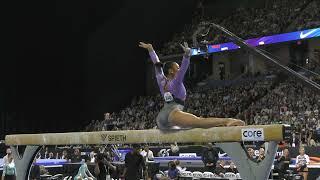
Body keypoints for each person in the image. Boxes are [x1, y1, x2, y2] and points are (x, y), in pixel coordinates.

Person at [139, 42, 244, 130]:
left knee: (192, 128)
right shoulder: (176, 82)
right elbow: (183, 68)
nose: (179, 69)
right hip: (172, 114)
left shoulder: (161, 80)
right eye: (177, 67)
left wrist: (151, 50)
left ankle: (174, 140)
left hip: (164, 116)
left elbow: (157, 65)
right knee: (199, 122)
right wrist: (187, 55)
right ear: (171, 71)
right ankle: (228, 121)